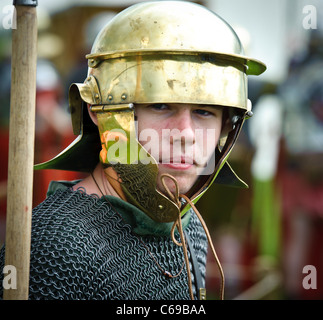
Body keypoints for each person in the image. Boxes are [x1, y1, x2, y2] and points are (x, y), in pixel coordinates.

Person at [0, 1, 265, 300]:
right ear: (100, 111)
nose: (186, 135)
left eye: (204, 112)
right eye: (160, 105)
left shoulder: (187, 229)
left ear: (227, 126)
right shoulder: (54, 246)